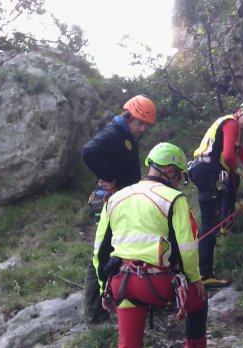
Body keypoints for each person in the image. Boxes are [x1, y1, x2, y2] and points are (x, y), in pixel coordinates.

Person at [92, 142, 207, 348]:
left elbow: (100, 250)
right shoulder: (174, 199)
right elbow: (187, 249)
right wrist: (194, 279)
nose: (180, 180)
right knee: (199, 300)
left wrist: (103, 289)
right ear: (169, 170)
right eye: (180, 175)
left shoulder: (116, 198)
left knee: (128, 344)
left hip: (122, 282)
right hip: (157, 283)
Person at [80, 94, 157, 323]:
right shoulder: (113, 133)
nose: (143, 128)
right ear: (129, 117)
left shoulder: (123, 135)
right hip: (111, 201)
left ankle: (113, 299)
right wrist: (109, 177)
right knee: (103, 253)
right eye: (140, 123)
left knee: (115, 250)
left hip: (121, 201)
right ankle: (95, 315)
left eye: (146, 125)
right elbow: (88, 152)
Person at [189, 100, 243, 288]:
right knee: (208, 224)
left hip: (204, 169)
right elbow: (229, 155)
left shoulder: (232, 126)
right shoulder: (232, 123)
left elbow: (241, 155)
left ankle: (226, 219)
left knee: (233, 182)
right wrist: (234, 169)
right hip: (208, 170)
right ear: (240, 112)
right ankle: (205, 274)